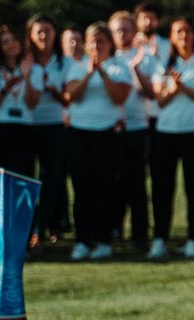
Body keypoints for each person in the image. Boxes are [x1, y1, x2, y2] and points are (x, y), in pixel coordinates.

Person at [64, 22, 131, 261]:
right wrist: (90, 72)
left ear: (109, 44)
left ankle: (103, 240)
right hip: (81, 132)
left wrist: (101, 72)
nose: (95, 45)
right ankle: (82, 240)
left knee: (106, 188)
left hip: (108, 133)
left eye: (100, 41)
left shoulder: (119, 67)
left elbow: (119, 97)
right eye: (92, 41)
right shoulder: (76, 68)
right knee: (82, 189)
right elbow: (72, 95)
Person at [148, 18, 194, 260]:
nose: (184, 35)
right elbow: (160, 100)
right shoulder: (162, 65)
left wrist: (185, 89)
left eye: (187, 31)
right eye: (178, 32)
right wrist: (173, 89)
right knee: (162, 188)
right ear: (172, 37)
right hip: (166, 133)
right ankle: (160, 238)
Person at [110, 10, 158, 251]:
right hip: (112, 127)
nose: (121, 33)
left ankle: (140, 233)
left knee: (137, 183)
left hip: (138, 125)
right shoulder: (108, 56)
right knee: (114, 182)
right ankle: (114, 228)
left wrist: (137, 69)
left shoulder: (145, 55)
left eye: (126, 29)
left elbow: (151, 92)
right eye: (117, 29)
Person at [25, 14, 69, 246]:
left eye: (48, 31)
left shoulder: (66, 63)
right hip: (27, 125)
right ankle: (29, 227)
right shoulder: (24, 61)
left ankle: (44, 228)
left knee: (51, 180)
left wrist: (54, 90)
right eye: (38, 32)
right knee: (27, 179)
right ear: (31, 35)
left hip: (54, 126)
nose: (43, 36)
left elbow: (70, 98)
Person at [0, 26, 38, 177]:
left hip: (22, 128)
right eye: (5, 42)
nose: (11, 44)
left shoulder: (33, 68)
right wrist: (6, 88)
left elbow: (32, 103)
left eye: (14, 40)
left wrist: (26, 76)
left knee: (21, 179)